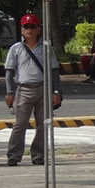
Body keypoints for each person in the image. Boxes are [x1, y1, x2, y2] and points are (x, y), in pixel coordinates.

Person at [4, 14, 61, 166]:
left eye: (32, 26)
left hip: (44, 88)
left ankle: (38, 155)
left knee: (43, 124)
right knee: (20, 123)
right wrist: (10, 92)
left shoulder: (47, 48)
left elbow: (54, 71)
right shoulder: (15, 49)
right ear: (22, 30)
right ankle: (13, 155)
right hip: (23, 89)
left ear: (38, 29)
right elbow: (9, 72)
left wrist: (57, 92)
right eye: (26, 27)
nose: (29, 30)